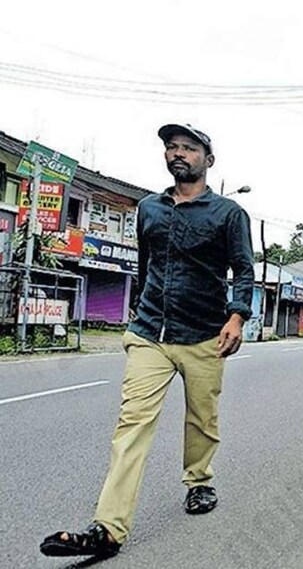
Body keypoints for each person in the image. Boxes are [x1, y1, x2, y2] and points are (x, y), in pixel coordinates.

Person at [40, 124, 255, 558]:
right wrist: (139, 309)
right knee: (131, 425)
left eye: (189, 148)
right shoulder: (149, 209)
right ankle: (108, 529)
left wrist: (237, 316)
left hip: (204, 336)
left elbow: (243, 270)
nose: (179, 154)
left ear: (207, 160)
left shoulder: (229, 214)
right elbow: (145, 263)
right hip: (149, 333)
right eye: (172, 147)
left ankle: (198, 481)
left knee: (202, 420)